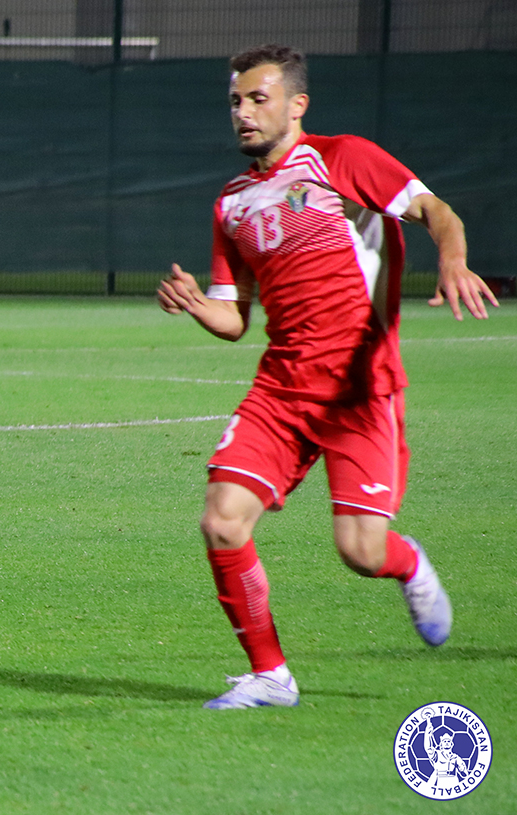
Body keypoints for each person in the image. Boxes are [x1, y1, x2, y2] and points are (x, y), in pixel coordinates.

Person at [157, 44, 497, 710]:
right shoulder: (232, 203)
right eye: (236, 101)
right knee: (223, 520)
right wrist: (200, 306)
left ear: (296, 104)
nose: (245, 113)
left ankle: (408, 562)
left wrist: (453, 260)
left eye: (259, 98)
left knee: (360, 550)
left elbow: (438, 212)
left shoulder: (343, 159)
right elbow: (236, 318)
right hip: (282, 387)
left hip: (358, 388)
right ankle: (270, 676)